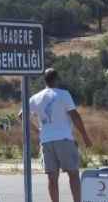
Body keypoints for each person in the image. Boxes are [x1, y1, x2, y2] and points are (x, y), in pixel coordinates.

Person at [22, 68, 93, 202]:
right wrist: (85, 136)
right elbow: (75, 116)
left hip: (46, 141)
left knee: (52, 178)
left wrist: (38, 130)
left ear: (45, 80)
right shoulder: (63, 94)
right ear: (57, 79)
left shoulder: (36, 97)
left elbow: (21, 115)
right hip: (64, 139)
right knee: (73, 174)